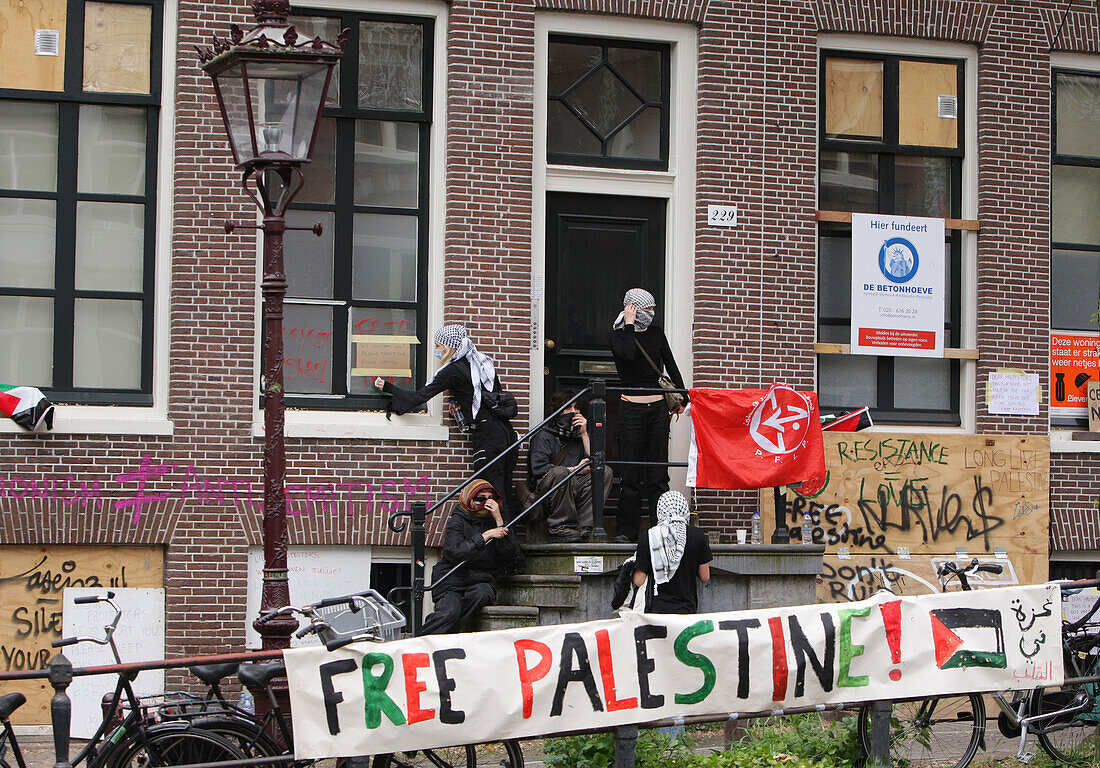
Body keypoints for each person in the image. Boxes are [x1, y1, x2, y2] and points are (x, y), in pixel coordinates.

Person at [376, 324, 518, 517]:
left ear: (449, 347)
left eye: (438, 346)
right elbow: (480, 396)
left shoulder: (452, 371)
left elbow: (419, 397)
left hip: (488, 439)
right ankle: (507, 539)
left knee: (489, 494)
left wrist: (388, 387)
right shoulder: (480, 363)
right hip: (506, 434)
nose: (437, 350)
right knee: (504, 492)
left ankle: (500, 541)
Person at [607, 288, 688, 543]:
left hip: (657, 412)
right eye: (647, 309)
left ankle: (661, 528)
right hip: (631, 410)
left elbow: (670, 364)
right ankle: (626, 532)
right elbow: (629, 356)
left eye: (653, 309)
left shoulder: (656, 333)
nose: (652, 314)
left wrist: (683, 396)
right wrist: (629, 325)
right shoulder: (617, 335)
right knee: (630, 475)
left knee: (658, 474)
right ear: (632, 309)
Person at [420, 479, 525, 635]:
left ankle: (450, 634)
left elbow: (510, 555)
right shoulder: (458, 520)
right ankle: (419, 643)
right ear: (470, 499)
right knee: (450, 611)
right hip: (452, 579)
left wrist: (499, 520)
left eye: (490, 499)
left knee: (482, 594)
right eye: (480, 498)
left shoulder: (497, 521)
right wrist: (485, 536)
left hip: (481, 579)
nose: (485, 503)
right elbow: (454, 553)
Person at [528, 389, 613, 543]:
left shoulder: (580, 437)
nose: (573, 412)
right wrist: (574, 470)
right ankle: (560, 527)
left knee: (605, 472)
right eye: (568, 407)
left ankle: (586, 527)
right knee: (561, 473)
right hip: (549, 492)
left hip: (575, 487)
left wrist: (584, 434)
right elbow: (539, 470)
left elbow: (595, 462)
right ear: (558, 411)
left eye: (577, 408)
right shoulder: (543, 435)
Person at [632, 490, 711, 615]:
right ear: (685, 509)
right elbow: (705, 577)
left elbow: (639, 580)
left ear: (660, 510)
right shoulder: (698, 536)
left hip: (656, 611)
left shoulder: (650, 536)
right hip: (686, 610)